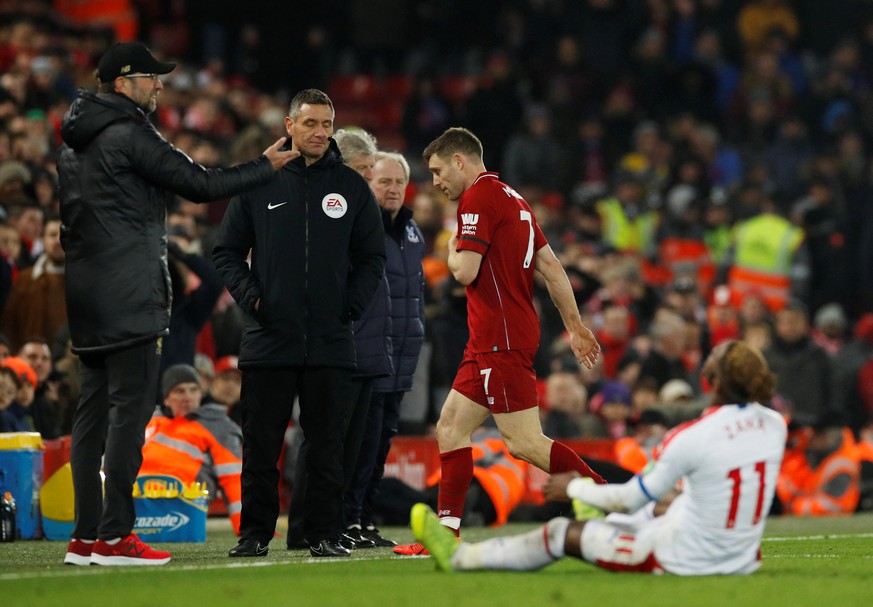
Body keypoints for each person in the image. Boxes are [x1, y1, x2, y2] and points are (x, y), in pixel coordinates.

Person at [57, 41, 296, 567]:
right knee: (130, 412)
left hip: (86, 292)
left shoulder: (73, 141)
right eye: (150, 77)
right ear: (123, 83)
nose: (160, 85)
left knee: (91, 414)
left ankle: (85, 537)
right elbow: (199, 184)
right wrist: (264, 166)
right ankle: (117, 537)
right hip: (130, 292)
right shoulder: (129, 133)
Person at [394, 128, 603, 556]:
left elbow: (464, 271)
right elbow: (552, 266)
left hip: (501, 338)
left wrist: (451, 248)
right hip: (492, 338)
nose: (434, 182)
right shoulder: (513, 199)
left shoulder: (478, 198)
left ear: (459, 161)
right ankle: (446, 533)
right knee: (450, 426)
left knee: (523, 442)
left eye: (436, 171)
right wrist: (576, 326)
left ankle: (608, 503)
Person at [412, 340, 788, 576]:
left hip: (680, 559)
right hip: (741, 558)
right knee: (662, 506)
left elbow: (632, 496)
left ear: (711, 380)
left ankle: (460, 558)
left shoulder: (689, 436)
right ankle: (599, 518)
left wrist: (577, 487)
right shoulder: (775, 425)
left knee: (560, 534)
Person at [213, 88, 386, 559]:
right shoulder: (259, 181)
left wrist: (351, 304)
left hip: (331, 337)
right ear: (289, 125)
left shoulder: (350, 187)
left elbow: (373, 256)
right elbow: (225, 251)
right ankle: (254, 535)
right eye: (310, 123)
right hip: (269, 336)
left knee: (327, 446)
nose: (319, 132)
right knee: (261, 445)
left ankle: (323, 534)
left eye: (327, 124)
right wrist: (253, 299)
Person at [285, 126, 392, 550]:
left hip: (363, 349)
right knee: (324, 443)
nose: (368, 181)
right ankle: (306, 529)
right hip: (334, 344)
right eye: (364, 171)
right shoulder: (327, 212)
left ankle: (333, 527)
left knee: (346, 450)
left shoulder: (362, 215)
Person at [345, 151, 425, 547]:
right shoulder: (357, 228)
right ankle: (348, 518)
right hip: (372, 352)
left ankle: (364, 518)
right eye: (383, 182)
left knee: (380, 445)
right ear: (368, 184)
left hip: (403, 355)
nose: (393, 189)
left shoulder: (413, 233)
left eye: (399, 182)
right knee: (362, 444)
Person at [137, 365, 243, 535]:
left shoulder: (218, 426)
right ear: (166, 398)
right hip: (137, 505)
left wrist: (245, 527)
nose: (187, 397)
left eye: (193, 390)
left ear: (201, 394)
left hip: (184, 507)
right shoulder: (149, 421)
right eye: (179, 391)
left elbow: (233, 478)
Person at [1, 216, 66, 352]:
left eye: (62, 234)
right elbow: (10, 325)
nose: (57, 240)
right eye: (52, 235)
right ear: (42, 240)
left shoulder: (81, 280)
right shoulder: (25, 279)